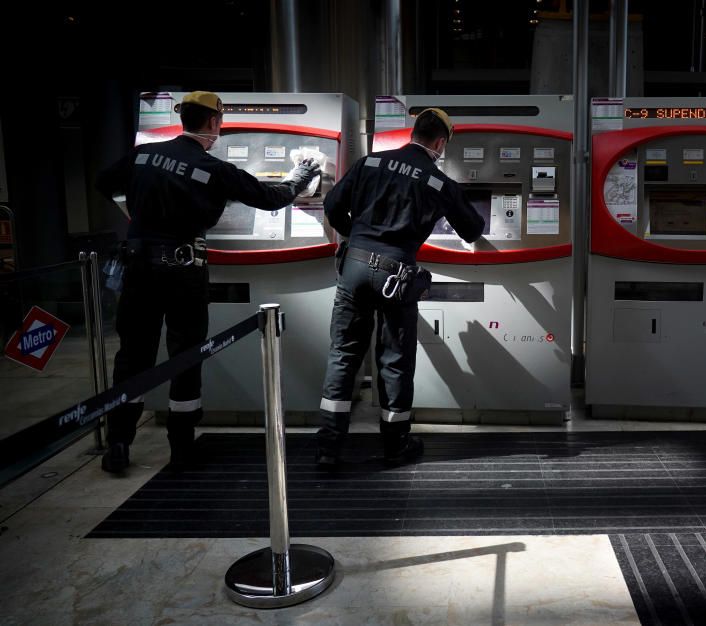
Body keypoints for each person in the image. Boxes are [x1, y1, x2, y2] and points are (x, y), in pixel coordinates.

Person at [95, 91, 320, 473]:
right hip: (184, 270)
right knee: (186, 356)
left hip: (139, 268)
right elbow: (272, 197)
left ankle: (118, 444)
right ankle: (182, 449)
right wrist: (301, 174)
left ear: (184, 120)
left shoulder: (143, 155)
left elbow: (105, 183)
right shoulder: (214, 169)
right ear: (215, 123)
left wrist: (140, 209)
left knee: (133, 356)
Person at [317, 107, 485, 470]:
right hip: (396, 275)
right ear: (440, 142)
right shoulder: (438, 182)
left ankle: (328, 447)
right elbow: (472, 229)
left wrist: (359, 238)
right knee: (394, 360)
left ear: (414, 133)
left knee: (344, 354)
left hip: (355, 268)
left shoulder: (369, 163)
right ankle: (396, 445)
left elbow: (331, 206)